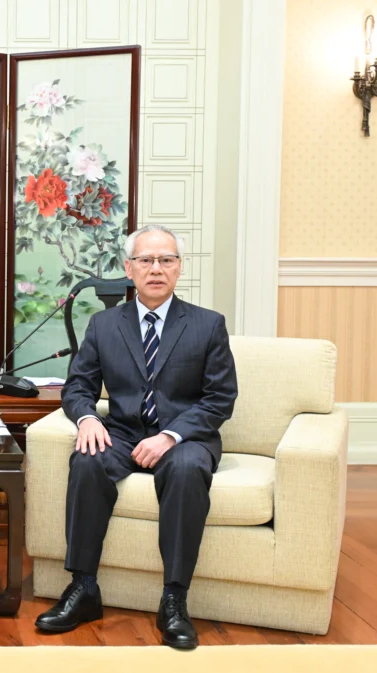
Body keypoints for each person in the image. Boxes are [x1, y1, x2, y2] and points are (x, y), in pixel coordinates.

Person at [34, 224, 237, 650]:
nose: (156, 269)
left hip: (184, 439)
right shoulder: (104, 324)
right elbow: (77, 387)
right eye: (146, 260)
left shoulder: (207, 325)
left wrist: (171, 436)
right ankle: (83, 587)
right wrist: (87, 419)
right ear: (129, 269)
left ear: (179, 268)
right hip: (123, 432)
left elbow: (220, 399)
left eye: (166, 260)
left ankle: (174, 600)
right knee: (87, 459)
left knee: (186, 469)